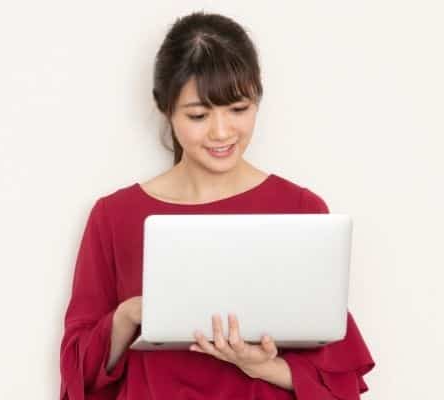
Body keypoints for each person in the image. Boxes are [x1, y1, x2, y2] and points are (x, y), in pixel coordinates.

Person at [58, 11, 375, 400]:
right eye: (198, 115)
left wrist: (262, 366)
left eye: (238, 109)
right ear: (165, 108)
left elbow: (336, 381)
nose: (221, 132)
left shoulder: (300, 208)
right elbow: (78, 372)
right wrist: (131, 314)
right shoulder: (114, 216)